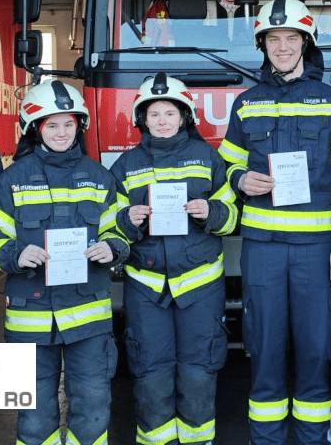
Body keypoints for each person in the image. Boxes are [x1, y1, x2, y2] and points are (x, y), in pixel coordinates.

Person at [216, 0, 331, 445]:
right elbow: (225, 168)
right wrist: (241, 180)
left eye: (291, 38)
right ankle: (267, 439)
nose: (283, 47)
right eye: (274, 39)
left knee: (318, 348)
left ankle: (315, 437)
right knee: (262, 348)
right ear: (262, 44)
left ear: (306, 42)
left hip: (318, 248)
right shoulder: (245, 104)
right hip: (261, 247)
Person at [0, 79, 128, 445]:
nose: (61, 132)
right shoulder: (10, 181)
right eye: (51, 124)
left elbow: (120, 232)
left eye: (68, 123)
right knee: (33, 413)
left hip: (88, 318)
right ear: (35, 128)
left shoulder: (101, 178)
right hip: (31, 318)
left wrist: (113, 249)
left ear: (80, 126)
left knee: (93, 407)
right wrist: (16, 254)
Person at [110, 74, 238, 445]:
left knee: (199, 371)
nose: (162, 120)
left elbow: (233, 214)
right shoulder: (125, 165)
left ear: (184, 118)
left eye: (170, 112)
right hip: (146, 285)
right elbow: (110, 226)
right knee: (151, 371)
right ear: (142, 120)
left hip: (199, 283)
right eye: (154, 114)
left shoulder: (207, 158)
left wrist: (210, 212)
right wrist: (126, 221)